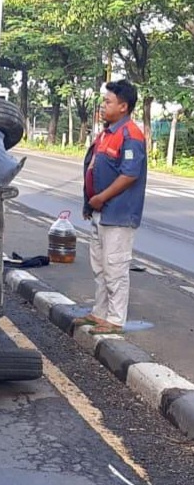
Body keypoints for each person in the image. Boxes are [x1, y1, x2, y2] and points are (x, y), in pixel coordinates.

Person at [77, 79, 147, 335]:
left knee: (115, 267)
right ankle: (100, 313)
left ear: (123, 106)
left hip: (118, 214)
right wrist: (90, 203)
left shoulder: (131, 135)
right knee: (100, 266)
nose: (103, 106)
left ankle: (115, 319)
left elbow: (129, 175)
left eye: (108, 102)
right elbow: (94, 168)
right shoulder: (107, 133)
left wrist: (101, 198)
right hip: (100, 212)